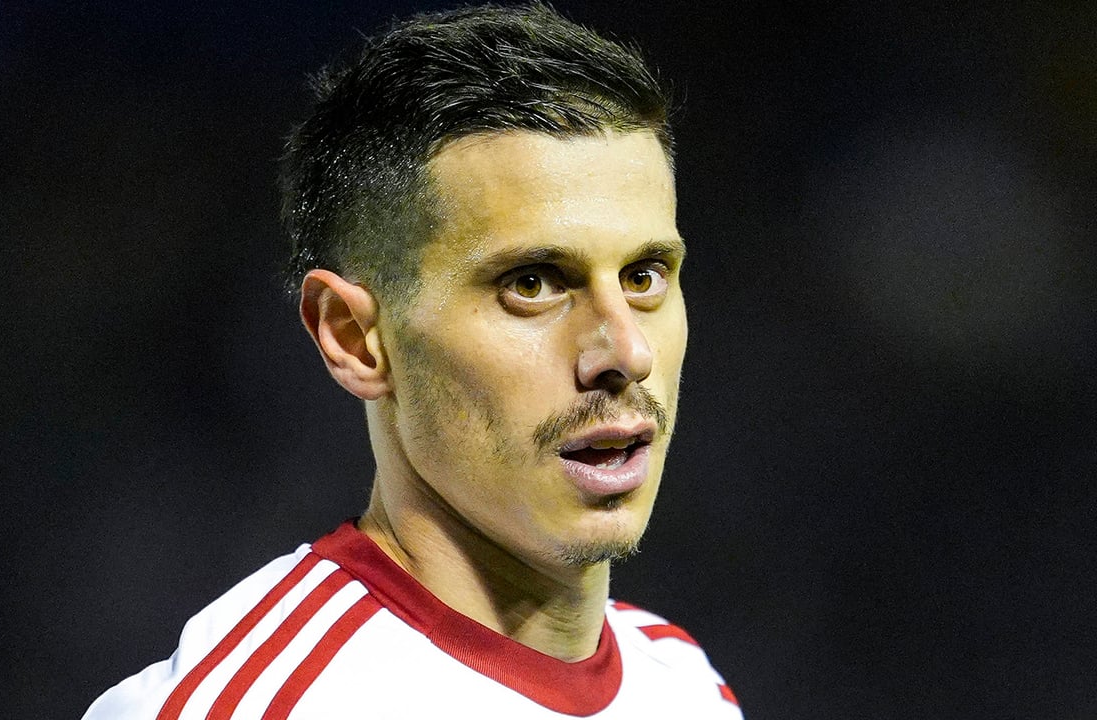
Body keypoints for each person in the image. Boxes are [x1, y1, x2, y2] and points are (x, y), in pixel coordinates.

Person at [83, 4, 741, 718]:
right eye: (531, 285)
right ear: (355, 338)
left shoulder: (686, 684)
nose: (627, 352)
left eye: (644, 277)